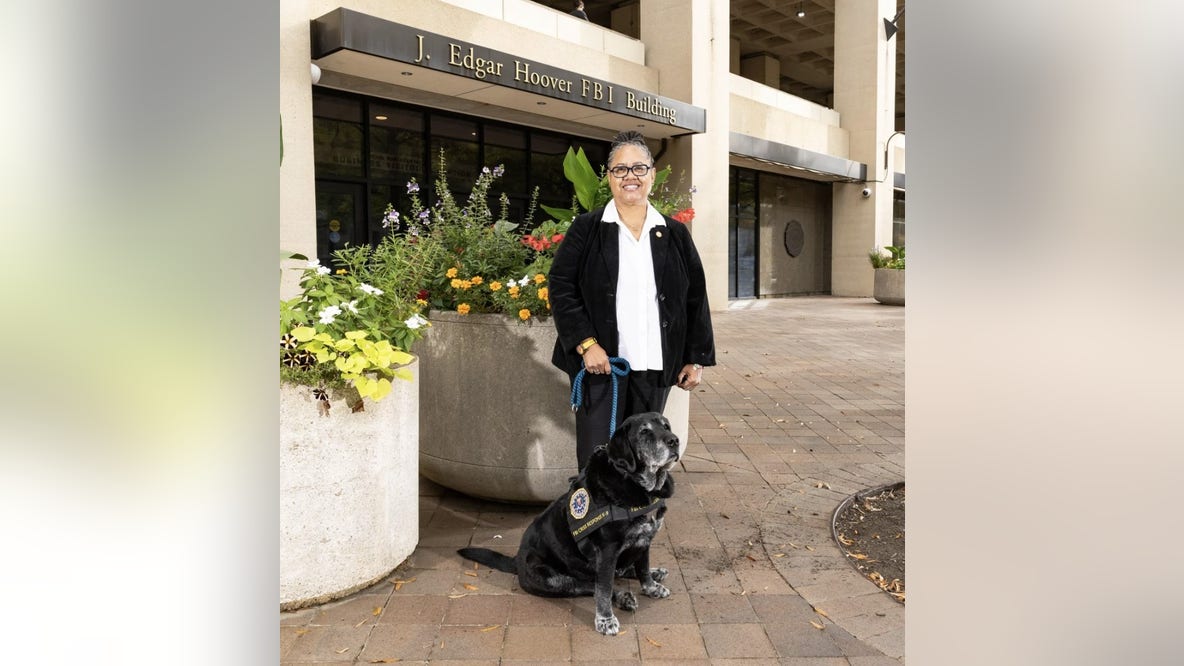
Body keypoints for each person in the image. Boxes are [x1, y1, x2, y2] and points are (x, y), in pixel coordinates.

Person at [549, 130, 715, 471]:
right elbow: (561, 285)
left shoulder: (674, 233)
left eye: (638, 168)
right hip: (602, 366)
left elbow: (695, 297)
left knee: (646, 460)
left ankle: (637, 524)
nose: (630, 177)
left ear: (652, 175)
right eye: (620, 170)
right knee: (598, 460)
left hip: (654, 368)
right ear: (609, 177)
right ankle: (596, 525)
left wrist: (695, 359)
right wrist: (585, 344)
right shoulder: (588, 228)